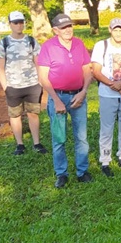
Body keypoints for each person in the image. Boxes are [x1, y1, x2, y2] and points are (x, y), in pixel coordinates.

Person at [37, 13, 93, 187]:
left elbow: (87, 69)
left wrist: (83, 92)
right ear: (55, 30)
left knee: (81, 137)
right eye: (63, 28)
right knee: (59, 138)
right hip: (58, 97)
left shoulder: (79, 43)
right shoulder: (47, 47)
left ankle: (82, 171)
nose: (68, 30)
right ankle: (62, 173)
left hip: (78, 96)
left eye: (69, 26)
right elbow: (43, 77)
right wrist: (56, 100)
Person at [91, 18, 121, 177]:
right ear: (110, 30)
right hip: (107, 94)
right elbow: (96, 72)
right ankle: (105, 159)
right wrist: (116, 86)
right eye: (115, 30)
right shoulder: (101, 46)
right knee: (107, 127)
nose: (118, 33)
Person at [0, 11, 47, 155]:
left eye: (21, 22)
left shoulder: (31, 41)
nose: (19, 25)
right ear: (10, 24)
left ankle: (37, 143)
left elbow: (39, 63)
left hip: (32, 85)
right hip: (13, 86)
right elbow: (0, 67)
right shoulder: (4, 43)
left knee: (33, 113)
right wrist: (5, 86)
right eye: (15, 22)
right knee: (15, 115)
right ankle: (20, 144)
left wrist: (40, 82)